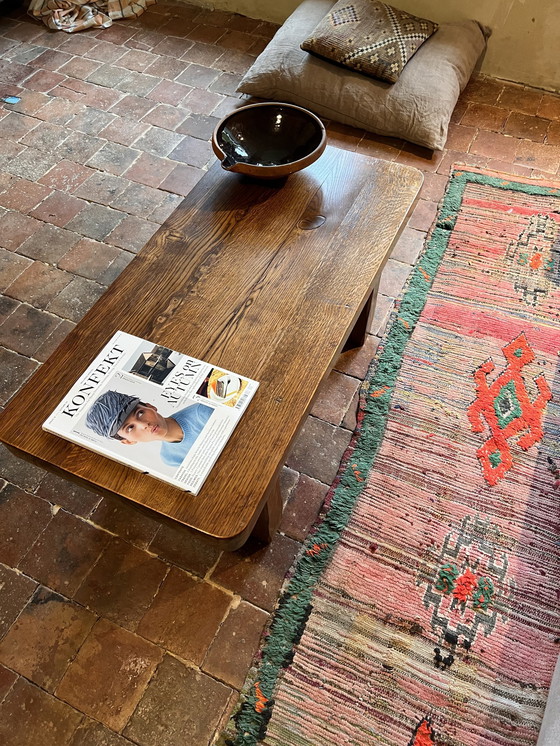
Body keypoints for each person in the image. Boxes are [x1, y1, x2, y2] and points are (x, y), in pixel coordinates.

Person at [85, 390, 213, 467]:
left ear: (150, 406)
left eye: (140, 413)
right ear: (128, 441)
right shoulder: (170, 458)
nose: (144, 425)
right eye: (130, 428)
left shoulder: (203, 413)